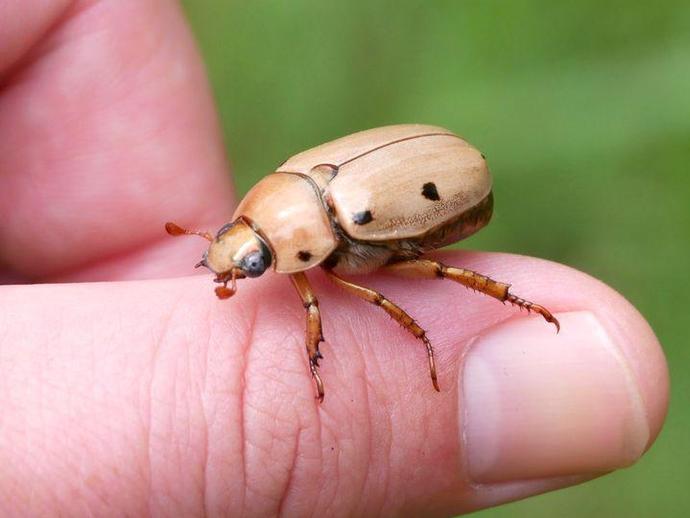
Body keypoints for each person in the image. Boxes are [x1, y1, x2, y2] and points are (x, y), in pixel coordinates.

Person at [0, 1, 668, 515]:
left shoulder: (324, 258)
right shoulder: (291, 194)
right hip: (375, 183)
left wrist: (346, 350)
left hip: (429, 191)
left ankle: (510, 306)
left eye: (250, 260)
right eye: (240, 250)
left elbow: (356, 295)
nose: (235, 267)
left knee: (423, 275)